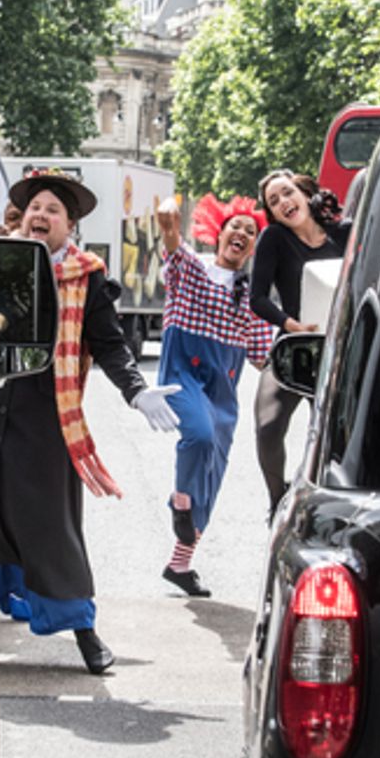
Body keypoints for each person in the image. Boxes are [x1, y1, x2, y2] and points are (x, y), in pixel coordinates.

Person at [0, 169, 180, 674]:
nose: (40, 215)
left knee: (50, 524)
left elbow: (110, 343)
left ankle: (83, 631)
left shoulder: (86, 274)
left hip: (44, 412)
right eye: (35, 207)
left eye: (52, 210)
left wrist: (136, 390)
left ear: (69, 226)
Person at [154, 194, 275, 598]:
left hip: (223, 385)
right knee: (199, 436)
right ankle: (179, 501)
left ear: (254, 247)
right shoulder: (191, 269)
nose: (240, 234)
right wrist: (169, 216)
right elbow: (170, 235)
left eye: (250, 232)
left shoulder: (253, 297)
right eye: (235, 227)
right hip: (183, 371)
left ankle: (180, 563)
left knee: (214, 470)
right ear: (217, 234)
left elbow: (263, 357)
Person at [249, 169, 350, 516]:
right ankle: (277, 501)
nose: (283, 203)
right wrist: (291, 324)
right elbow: (257, 299)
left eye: (287, 193)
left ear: (306, 194)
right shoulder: (274, 239)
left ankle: (333, 506)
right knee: (267, 427)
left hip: (340, 352)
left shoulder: (345, 234)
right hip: (295, 348)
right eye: (274, 202)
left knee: (336, 437)